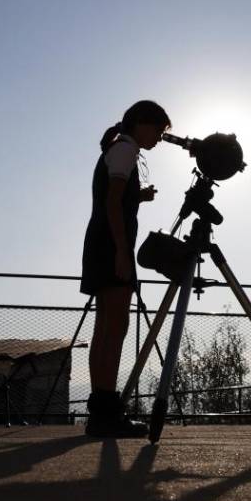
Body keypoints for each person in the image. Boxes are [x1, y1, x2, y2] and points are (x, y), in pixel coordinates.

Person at [80, 101, 169, 437]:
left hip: (100, 243)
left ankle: (101, 409)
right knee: (115, 326)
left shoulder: (118, 149)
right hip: (111, 245)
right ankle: (106, 412)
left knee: (106, 326)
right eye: (159, 131)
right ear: (142, 124)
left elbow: (115, 197)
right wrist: (122, 252)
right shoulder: (126, 150)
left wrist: (139, 197)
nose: (160, 139)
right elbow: (112, 202)